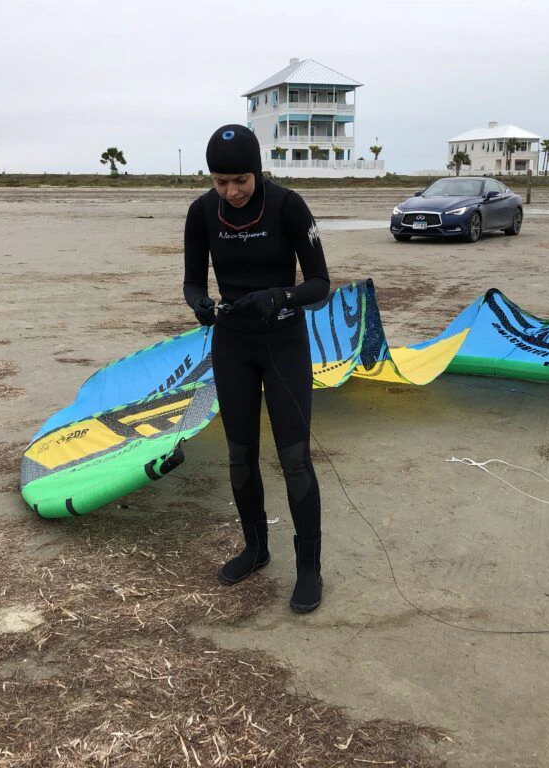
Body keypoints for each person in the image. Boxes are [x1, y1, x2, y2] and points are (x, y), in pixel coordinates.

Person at [183, 124, 330, 613]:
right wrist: (200, 303)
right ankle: (256, 549)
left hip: (283, 342)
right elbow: (192, 282)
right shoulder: (202, 212)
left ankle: (308, 568)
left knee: (294, 458)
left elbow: (319, 284)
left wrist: (280, 296)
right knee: (240, 454)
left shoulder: (288, 206)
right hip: (233, 345)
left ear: (258, 171)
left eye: (241, 180)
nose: (231, 191)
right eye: (221, 181)